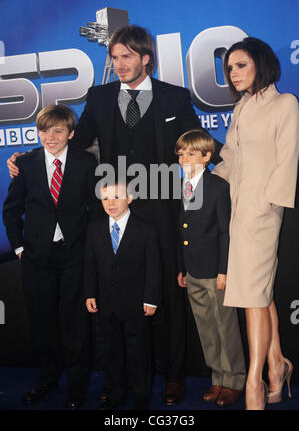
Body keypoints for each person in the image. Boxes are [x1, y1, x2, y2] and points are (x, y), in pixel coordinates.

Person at [6, 25, 222, 405]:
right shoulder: (100, 96)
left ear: (146, 59)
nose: (118, 64)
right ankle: (116, 378)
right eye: (114, 57)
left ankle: (172, 377)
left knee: (168, 294)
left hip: (162, 206)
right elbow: (74, 141)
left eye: (126, 57)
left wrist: (240, 161)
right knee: (115, 295)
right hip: (113, 208)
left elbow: (198, 140)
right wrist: (27, 159)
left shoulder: (174, 97)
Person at [213, 37, 299, 410]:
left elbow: (288, 156)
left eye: (241, 65)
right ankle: (278, 366)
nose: (233, 73)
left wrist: (268, 206)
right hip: (236, 211)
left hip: (262, 213)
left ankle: (254, 383)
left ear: (261, 64)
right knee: (259, 293)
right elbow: (230, 160)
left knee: (250, 296)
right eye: (230, 68)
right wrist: (197, 184)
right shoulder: (242, 108)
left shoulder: (285, 104)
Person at [2, 105, 98, 409]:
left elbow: (96, 211)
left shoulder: (86, 162)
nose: (50, 136)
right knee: (42, 323)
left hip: (74, 257)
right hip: (36, 259)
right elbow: (10, 211)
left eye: (58, 130)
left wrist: (89, 252)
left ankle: (78, 385)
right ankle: (47, 378)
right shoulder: (26, 163)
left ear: (70, 133)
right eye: (44, 130)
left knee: (76, 325)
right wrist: (19, 248)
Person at [176, 129, 246, 407]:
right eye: (181, 153)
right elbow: (181, 230)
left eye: (191, 153)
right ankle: (218, 379)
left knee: (224, 326)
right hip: (192, 270)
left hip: (214, 271)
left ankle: (235, 380)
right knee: (206, 327)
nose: (184, 158)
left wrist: (223, 270)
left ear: (207, 156)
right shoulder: (178, 186)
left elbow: (223, 233)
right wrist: (182, 267)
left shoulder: (218, 186)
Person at [84, 178, 162, 410]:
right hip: (107, 302)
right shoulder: (95, 228)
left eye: (117, 197)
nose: (111, 202)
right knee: (111, 351)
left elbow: (154, 267)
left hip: (136, 303)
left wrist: (151, 298)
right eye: (106, 198)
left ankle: (140, 396)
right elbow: (90, 264)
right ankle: (114, 392)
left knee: (138, 352)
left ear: (130, 198)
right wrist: (89, 293)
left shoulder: (147, 229)